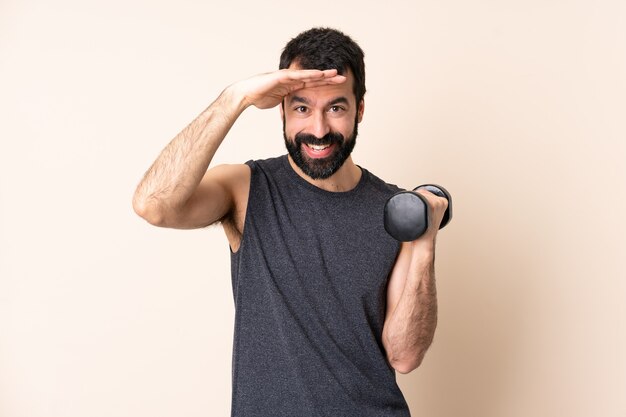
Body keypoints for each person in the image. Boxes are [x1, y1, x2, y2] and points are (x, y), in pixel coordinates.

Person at [133, 27, 448, 417]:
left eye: (336, 108)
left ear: (359, 109)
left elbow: (404, 356)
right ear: (281, 109)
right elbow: (153, 204)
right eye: (301, 108)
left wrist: (425, 241)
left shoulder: (395, 211)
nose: (318, 131)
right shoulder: (246, 190)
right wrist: (236, 98)